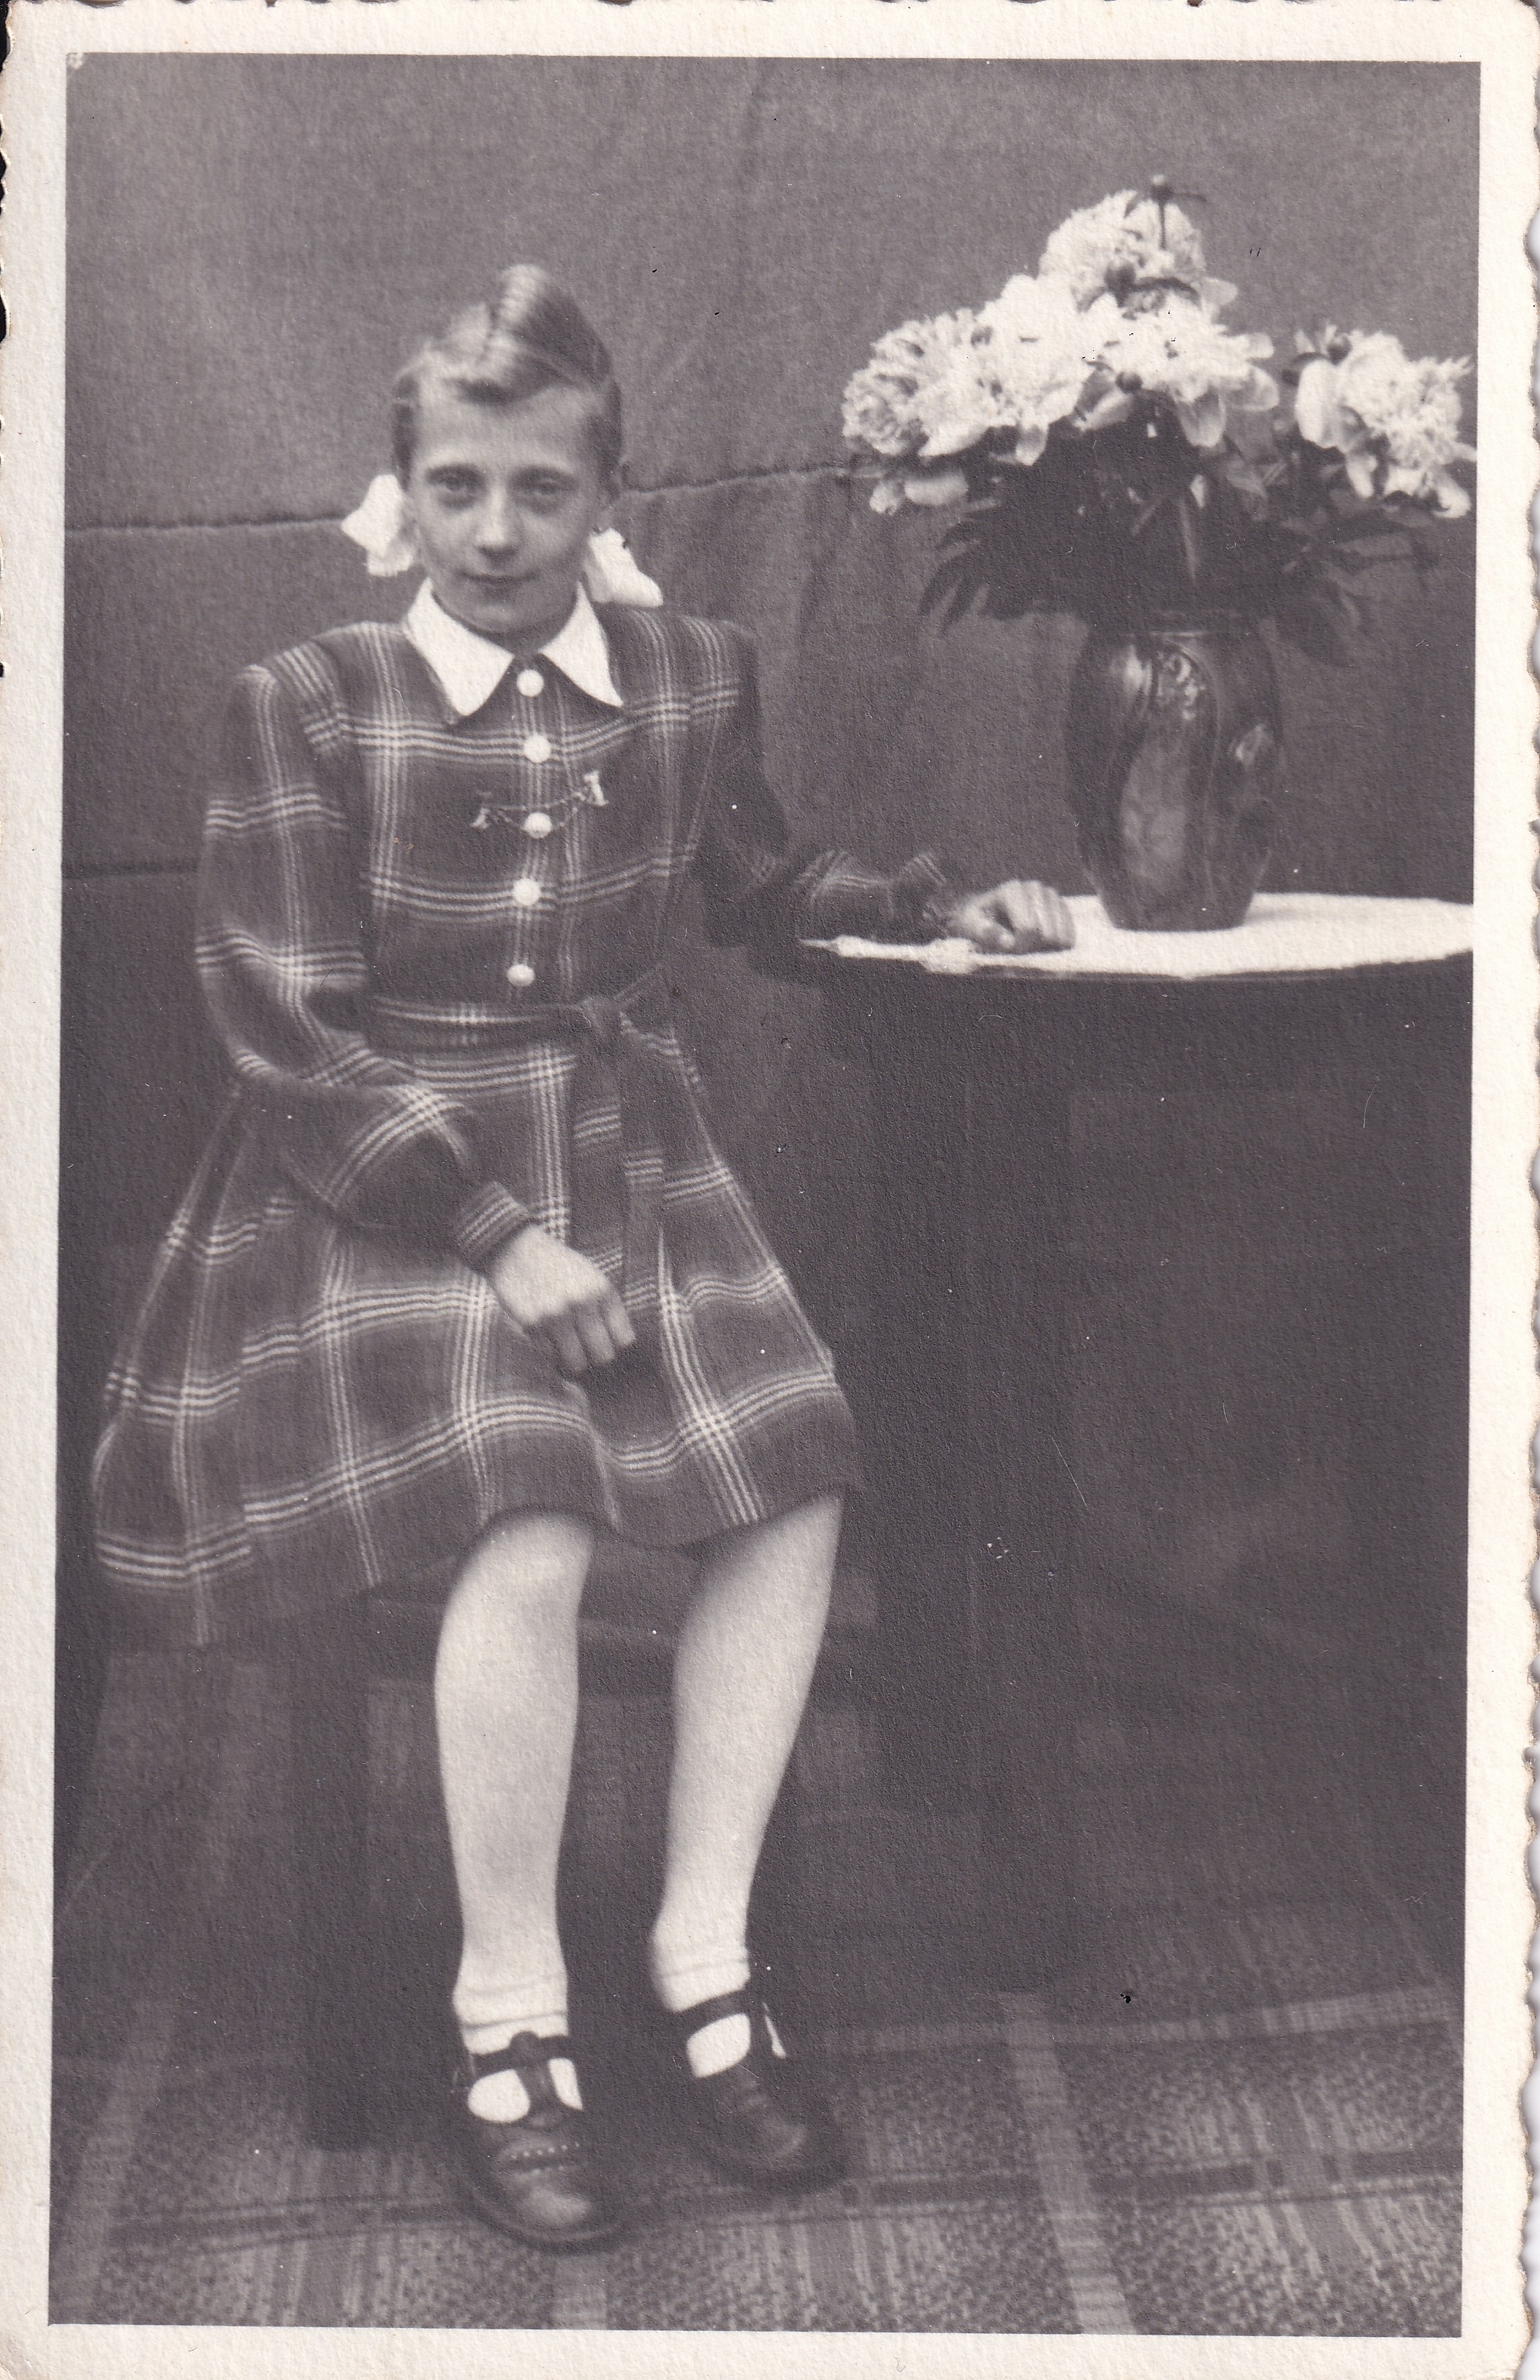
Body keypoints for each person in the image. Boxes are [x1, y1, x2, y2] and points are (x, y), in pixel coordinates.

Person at [91, 266, 1074, 2252]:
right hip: (371, 1179)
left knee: (796, 1476)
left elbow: (758, 881)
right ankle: (510, 2028)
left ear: (608, 490)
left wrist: (935, 908)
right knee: (531, 1511)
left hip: (624, 1145)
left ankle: (705, 1969)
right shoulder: (309, 704)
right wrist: (495, 1233)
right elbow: (285, 1032)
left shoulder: (690, 676)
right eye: (455, 487)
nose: (497, 532)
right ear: (402, 494)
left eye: (542, 489)